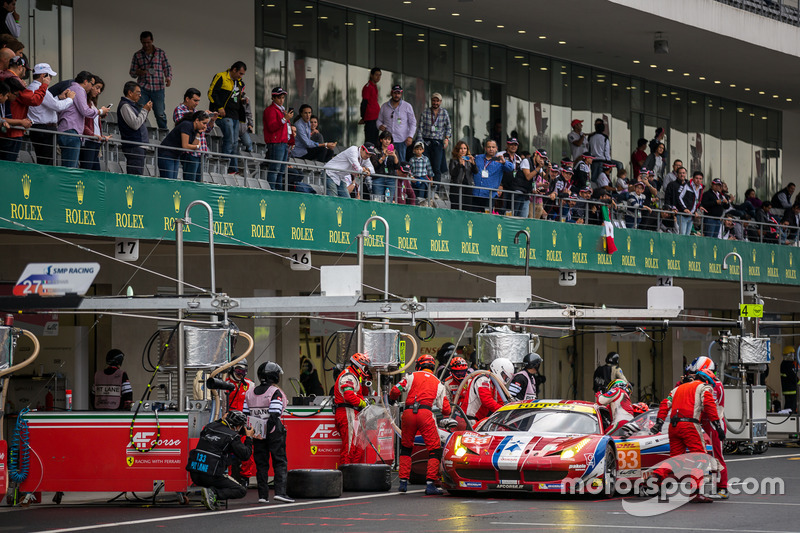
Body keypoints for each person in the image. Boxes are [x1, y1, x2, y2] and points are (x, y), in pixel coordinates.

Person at [651, 370, 724, 503]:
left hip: (673, 427)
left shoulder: (677, 389)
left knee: (677, 459)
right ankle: (695, 492)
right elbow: (709, 404)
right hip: (690, 425)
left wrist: (659, 423)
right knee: (702, 459)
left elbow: (664, 404)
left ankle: (658, 474)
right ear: (707, 381)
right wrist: (717, 426)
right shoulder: (703, 387)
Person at [389, 354, 451, 495]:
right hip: (425, 414)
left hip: (409, 413)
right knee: (434, 450)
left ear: (419, 365)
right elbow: (446, 409)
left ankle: (403, 482)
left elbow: (395, 390)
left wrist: (392, 400)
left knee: (406, 448)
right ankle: (430, 484)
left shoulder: (410, 376)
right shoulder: (438, 383)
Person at [245, 361, 294, 504]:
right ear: (274, 376)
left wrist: (258, 430)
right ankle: (280, 492)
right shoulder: (274, 392)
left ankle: (262, 495)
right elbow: (275, 413)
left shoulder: (249, 392)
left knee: (261, 464)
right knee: (280, 461)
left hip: (256, 433)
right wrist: (267, 429)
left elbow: (245, 414)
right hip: (273, 432)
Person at [186, 410, 254, 510]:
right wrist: (249, 438)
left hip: (195, 474)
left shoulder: (208, 427)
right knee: (240, 490)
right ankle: (213, 494)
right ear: (237, 426)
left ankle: (211, 495)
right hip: (211, 475)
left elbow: (219, 429)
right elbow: (245, 455)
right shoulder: (232, 436)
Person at [688, 356, 729, 499]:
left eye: (696, 373)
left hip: (714, 423)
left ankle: (722, 487)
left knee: (717, 456)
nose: (694, 377)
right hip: (703, 423)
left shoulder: (714, 385)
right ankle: (701, 487)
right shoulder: (704, 384)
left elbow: (709, 407)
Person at [27, 63, 73, 166]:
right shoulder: (40, 88)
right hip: (45, 129)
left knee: (44, 159)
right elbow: (57, 106)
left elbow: (46, 105)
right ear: (43, 76)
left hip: (39, 128)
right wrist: (70, 99)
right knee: (47, 162)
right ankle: (44, 181)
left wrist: (60, 98)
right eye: (50, 76)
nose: (51, 79)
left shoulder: (31, 87)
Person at [333, 352, 372, 465]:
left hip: (352, 413)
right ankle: (346, 478)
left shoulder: (354, 376)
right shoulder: (349, 376)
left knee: (356, 448)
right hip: (346, 412)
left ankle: (354, 476)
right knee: (349, 448)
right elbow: (349, 395)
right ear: (358, 366)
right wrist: (363, 403)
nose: (366, 370)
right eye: (364, 367)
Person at [208, 61, 246, 175]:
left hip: (235, 115)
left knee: (235, 142)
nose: (241, 76)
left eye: (242, 74)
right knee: (229, 140)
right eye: (240, 73)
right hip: (223, 115)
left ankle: (233, 168)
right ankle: (226, 167)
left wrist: (243, 100)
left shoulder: (239, 82)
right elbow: (211, 93)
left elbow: (236, 97)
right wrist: (219, 107)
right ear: (234, 70)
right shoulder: (221, 76)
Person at [128, 31, 171, 129]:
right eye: (144, 43)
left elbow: (167, 67)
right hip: (143, 88)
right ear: (141, 42)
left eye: (148, 42)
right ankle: (142, 132)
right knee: (141, 111)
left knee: (160, 114)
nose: (146, 45)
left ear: (152, 40)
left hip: (158, 88)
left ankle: (163, 133)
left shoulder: (160, 53)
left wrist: (168, 78)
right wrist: (138, 72)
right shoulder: (137, 55)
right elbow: (132, 72)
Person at [173, 87, 216, 182]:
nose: (197, 103)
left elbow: (206, 130)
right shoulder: (179, 110)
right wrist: (203, 116)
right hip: (190, 152)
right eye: (195, 100)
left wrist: (211, 120)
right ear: (187, 99)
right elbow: (185, 127)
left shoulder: (196, 112)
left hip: (200, 151)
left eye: (198, 101)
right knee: (190, 182)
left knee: (198, 183)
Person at [224, 361, 256, 487]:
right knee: (226, 450)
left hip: (244, 422)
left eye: (243, 371)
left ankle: (245, 478)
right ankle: (227, 477)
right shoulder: (224, 383)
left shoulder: (250, 384)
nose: (240, 374)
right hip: (227, 422)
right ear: (232, 369)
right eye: (238, 370)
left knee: (247, 450)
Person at [415, 92, 451, 194]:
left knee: (436, 167)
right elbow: (420, 129)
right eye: (433, 100)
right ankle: (424, 189)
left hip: (438, 143)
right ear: (431, 101)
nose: (435, 102)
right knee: (425, 165)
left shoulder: (444, 113)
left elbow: (448, 127)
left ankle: (435, 191)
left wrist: (447, 138)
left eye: (437, 101)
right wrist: (419, 142)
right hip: (426, 142)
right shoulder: (425, 112)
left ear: (440, 102)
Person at [158, 110, 208, 179]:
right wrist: (197, 146)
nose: (205, 126)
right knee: (168, 180)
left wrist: (199, 134)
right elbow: (185, 146)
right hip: (167, 154)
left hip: (176, 155)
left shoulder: (196, 129)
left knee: (173, 180)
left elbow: (193, 144)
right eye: (204, 123)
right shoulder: (187, 125)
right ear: (197, 120)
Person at [462, 357, 513, 422]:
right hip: (470, 419)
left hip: (480, 419)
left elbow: (500, 401)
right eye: (504, 376)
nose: (504, 379)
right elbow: (486, 400)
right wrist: (502, 410)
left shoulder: (495, 382)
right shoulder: (483, 379)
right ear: (498, 370)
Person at [117, 80, 151, 175]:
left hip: (137, 146)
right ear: (130, 93)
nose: (140, 95)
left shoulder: (131, 105)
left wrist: (145, 111)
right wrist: (144, 110)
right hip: (134, 146)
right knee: (135, 176)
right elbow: (135, 125)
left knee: (137, 174)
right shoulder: (125, 106)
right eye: (138, 93)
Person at [376, 84, 415, 163]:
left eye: (398, 93)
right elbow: (379, 120)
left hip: (401, 140)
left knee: (400, 162)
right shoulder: (384, 106)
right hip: (387, 141)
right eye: (395, 93)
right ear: (391, 93)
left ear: (401, 93)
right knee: (387, 162)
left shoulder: (407, 106)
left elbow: (413, 123)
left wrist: (410, 136)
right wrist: (380, 126)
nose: (396, 95)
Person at [472, 140, 513, 212]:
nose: (491, 149)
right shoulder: (479, 158)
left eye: (493, 147)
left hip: (489, 195)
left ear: (496, 148)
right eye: (489, 147)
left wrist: (504, 162)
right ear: (485, 148)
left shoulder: (498, 159)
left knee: (487, 218)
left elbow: (511, 168)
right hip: (477, 193)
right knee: (475, 216)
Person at [79, 76, 111, 170]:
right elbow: (82, 123)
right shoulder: (84, 102)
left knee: (96, 171)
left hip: (95, 141)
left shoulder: (92, 103)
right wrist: (92, 134)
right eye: (97, 88)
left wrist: (101, 136)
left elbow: (94, 124)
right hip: (88, 141)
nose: (99, 91)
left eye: (100, 89)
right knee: (88, 170)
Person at [263, 86, 292, 188]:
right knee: (275, 169)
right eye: (279, 97)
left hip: (283, 143)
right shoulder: (270, 110)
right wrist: (284, 119)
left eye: (283, 97)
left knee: (281, 171)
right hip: (276, 143)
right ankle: (271, 190)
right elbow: (271, 127)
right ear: (273, 98)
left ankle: (278, 191)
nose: (281, 100)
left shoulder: (282, 110)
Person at [370, 129, 399, 202]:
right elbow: (375, 165)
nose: (387, 141)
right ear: (381, 140)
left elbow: (397, 166)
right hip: (378, 178)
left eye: (389, 139)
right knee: (377, 201)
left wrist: (394, 156)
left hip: (390, 178)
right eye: (385, 139)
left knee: (388, 202)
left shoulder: (394, 150)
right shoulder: (375, 150)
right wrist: (384, 156)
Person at [448, 140, 476, 211]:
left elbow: (476, 172)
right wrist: (459, 165)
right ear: (457, 150)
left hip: (468, 186)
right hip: (457, 187)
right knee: (456, 208)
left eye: (465, 148)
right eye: (461, 148)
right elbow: (452, 173)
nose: (463, 150)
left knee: (467, 208)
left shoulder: (468, 160)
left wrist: (473, 164)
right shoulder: (453, 160)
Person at [360, 67, 381, 145]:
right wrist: (363, 117)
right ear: (371, 75)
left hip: (376, 117)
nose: (378, 77)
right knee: (370, 140)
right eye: (376, 75)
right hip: (370, 118)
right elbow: (364, 102)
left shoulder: (374, 86)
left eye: (379, 75)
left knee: (375, 140)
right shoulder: (368, 87)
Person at [781, 346, 798, 413]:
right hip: (790, 389)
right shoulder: (787, 365)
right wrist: (798, 381)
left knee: (789, 406)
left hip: (788, 389)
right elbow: (792, 376)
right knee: (791, 408)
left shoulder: (784, 364)